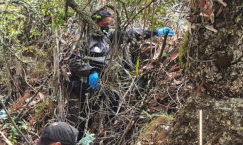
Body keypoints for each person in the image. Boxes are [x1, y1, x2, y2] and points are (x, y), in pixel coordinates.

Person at [68, 10, 174, 138]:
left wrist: (156, 32)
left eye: (109, 24)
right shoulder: (83, 38)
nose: (107, 27)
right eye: (104, 24)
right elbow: (73, 62)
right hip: (81, 82)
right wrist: (90, 71)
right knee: (86, 115)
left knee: (111, 98)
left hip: (98, 83)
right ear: (94, 22)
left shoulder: (107, 36)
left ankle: (107, 133)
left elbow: (130, 33)